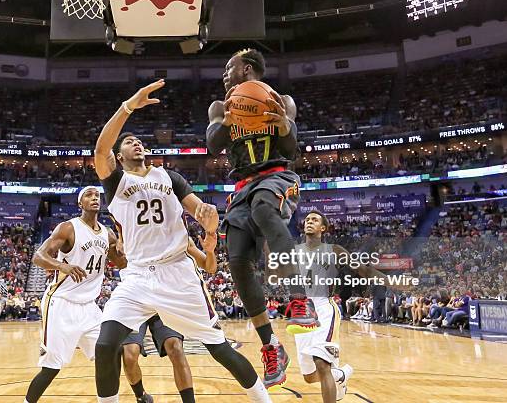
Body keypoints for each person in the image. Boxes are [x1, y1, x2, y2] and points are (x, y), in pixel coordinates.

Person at [93, 80, 272, 403]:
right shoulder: (117, 181)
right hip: (137, 275)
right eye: (129, 142)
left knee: (219, 348)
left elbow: (199, 212)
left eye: (137, 141)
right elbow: (100, 150)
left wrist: (209, 221)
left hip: (178, 274)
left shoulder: (170, 177)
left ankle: (263, 399)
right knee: (106, 345)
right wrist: (128, 106)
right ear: (119, 157)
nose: (136, 144)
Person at [206, 48, 319, 389]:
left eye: (231, 67)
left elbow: (291, 147)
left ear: (248, 68)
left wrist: (284, 123)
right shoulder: (219, 107)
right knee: (237, 260)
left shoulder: (280, 99)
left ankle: (300, 299)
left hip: (276, 176)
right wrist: (226, 122)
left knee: (263, 208)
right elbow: (213, 145)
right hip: (242, 185)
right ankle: (271, 347)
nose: (225, 73)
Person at [24, 186, 122, 403]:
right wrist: (63, 266)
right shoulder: (68, 228)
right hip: (61, 303)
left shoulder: (108, 234)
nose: (95, 198)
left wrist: (123, 243)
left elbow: (122, 263)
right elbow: (38, 257)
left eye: (97, 195)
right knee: (51, 367)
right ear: (80, 203)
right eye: (89, 195)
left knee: (110, 354)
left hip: (89, 307)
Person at [291, 211, 400, 402]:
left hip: (324, 308)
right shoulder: (295, 250)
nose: (309, 221)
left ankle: (334, 377)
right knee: (309, 377)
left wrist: (391, 280)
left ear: (323, 228)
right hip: (302, 313)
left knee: (322, 364)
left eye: (314, 220)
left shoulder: (334, 250)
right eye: (307, 219)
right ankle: (340, 375)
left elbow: (362, 269)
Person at [121, 235, 218, 403]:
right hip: (136, 299)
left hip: (165, 299)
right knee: (129, 354)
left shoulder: (177, 235)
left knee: (176, 347)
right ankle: (141, 396)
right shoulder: (129, 232)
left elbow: (210, 267)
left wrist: (209, 252)